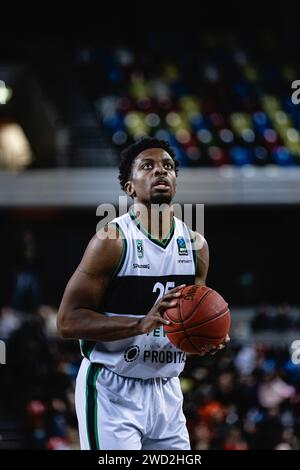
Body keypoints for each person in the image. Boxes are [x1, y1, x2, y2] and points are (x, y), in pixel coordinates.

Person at [57, 137, 228, 450]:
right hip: (113, 389)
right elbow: (68, 322)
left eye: (168, 167)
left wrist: (207, 337)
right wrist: (139, 325)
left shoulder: (196, 245)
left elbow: (191, 319)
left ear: (176, 180)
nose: (160, 171)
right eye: (147, 166)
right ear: (129, 187)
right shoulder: (111, 241)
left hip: (167, 389)